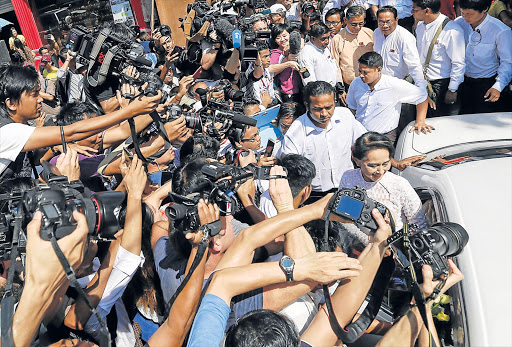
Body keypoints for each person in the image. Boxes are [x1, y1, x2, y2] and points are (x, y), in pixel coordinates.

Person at [0, 65, 161, 181]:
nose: (41, 98)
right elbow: (71, 132)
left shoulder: (18, 129)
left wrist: (56, 147)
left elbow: (34, 160)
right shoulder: (7, 132)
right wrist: (130, 110)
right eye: (34, 94)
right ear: (11, 103)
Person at [339, 132, 428, 233]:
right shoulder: (349, 178)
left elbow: (418, 223)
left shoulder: (399, 184)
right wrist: (367, 242)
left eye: (385, 164)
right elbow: (344, 218)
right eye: (373, 166)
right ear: (357, 161)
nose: (380, 171)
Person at [347, 52, 434, 141]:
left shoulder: (394, 85)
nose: (361, 75)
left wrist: (420, 122)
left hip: (384, 138)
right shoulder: (356, 83)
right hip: (360, 135)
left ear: (379, 70)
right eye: (360, 71)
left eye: (365, 72)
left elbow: (422, 97)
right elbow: (352, 108)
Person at [456, 0, 512, 114]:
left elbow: (507, 62)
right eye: (462, 13)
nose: (466, 17)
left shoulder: (501, 30)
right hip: (463, 83)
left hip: (487, 85)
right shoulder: (459, 23)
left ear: (485, 9)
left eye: (470, 14)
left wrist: (498, 86)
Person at [413, 0, 466, 117]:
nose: (412, 12)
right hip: (422, 83)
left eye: (415, 10)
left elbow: (458, 62)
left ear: (427, 10)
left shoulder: (451, 30)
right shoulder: (420, 26)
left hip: (441, 85)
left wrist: (452, 89)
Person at [373, 6, 427, 90]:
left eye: (388, 22)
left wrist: (422, 88)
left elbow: (414, 65)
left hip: (400, 84)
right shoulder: (376, 33)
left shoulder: (405, 38)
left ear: (396, 20)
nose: (385, 26)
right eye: (381, 22)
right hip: (380, 84)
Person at [330, 6, 374, 90]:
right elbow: (335, 65)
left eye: (361, 23)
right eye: (353, 24)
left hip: (370, 83)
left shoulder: (369, 33)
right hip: (350, 86)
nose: (357, 27)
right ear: (345, 20)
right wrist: (340, 87)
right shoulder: (338, 39)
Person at [298, 23, 339, 87]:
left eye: (328, 37)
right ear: (313, 39)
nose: (327, 41)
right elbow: (309, 82)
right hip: (320, 93)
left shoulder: (324, 48)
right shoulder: (306, 54)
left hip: (332, 90)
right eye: (323, 39)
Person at [270, 24, 302, 103]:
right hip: (287, 91)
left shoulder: (300, 48)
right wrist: (286, 60)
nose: (282, 39)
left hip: (301, 88)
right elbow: (271, 70)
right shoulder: (275, 54)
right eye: (278, 38)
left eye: (284, 36)